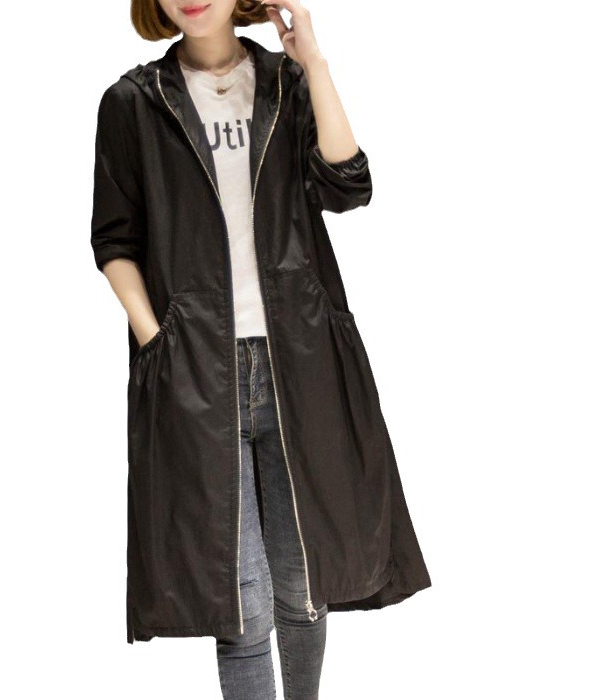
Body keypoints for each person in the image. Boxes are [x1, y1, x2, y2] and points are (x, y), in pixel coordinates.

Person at [90, 1, 432, 698]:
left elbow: (348, 185)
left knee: (303, 584)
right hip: (195, 371)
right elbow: (114, 238)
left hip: (299, 362)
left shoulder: (285, 84)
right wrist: (156, 338)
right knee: (239, 602)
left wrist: (314, 62)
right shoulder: (133, 102)